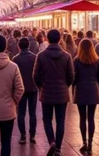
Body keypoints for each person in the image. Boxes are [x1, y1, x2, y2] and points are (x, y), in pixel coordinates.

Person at [33, 28, 74, 156]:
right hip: (62, 93)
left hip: (46, 92)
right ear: (59, 39)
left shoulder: (41, 56)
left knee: (47, 120)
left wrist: (41, 86)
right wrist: (64, 85)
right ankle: (58, 149)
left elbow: (35, 75)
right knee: (61, 121)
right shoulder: (67, 56)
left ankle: (51, 141)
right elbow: (71, 76)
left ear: (47, 39)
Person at [73, 39, 99, 153]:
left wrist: (75, 83)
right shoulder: (97, 60)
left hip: (81, 90)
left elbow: (73, 77)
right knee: (91, 118)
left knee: (82, 117)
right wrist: (94, 83)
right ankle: (91, 143)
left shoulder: (76, 60)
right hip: (93, 90)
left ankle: (84, 142)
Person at [13, 37, 38, 145]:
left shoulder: (15, 59)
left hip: (20, 90)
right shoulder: (35, 57)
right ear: (28, 46)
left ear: (19, 46)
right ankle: (32, 135)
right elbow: (38, 73)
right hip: (33, 88)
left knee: (21, 114)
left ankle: (22, 136)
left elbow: (13, 76)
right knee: (33, 113)